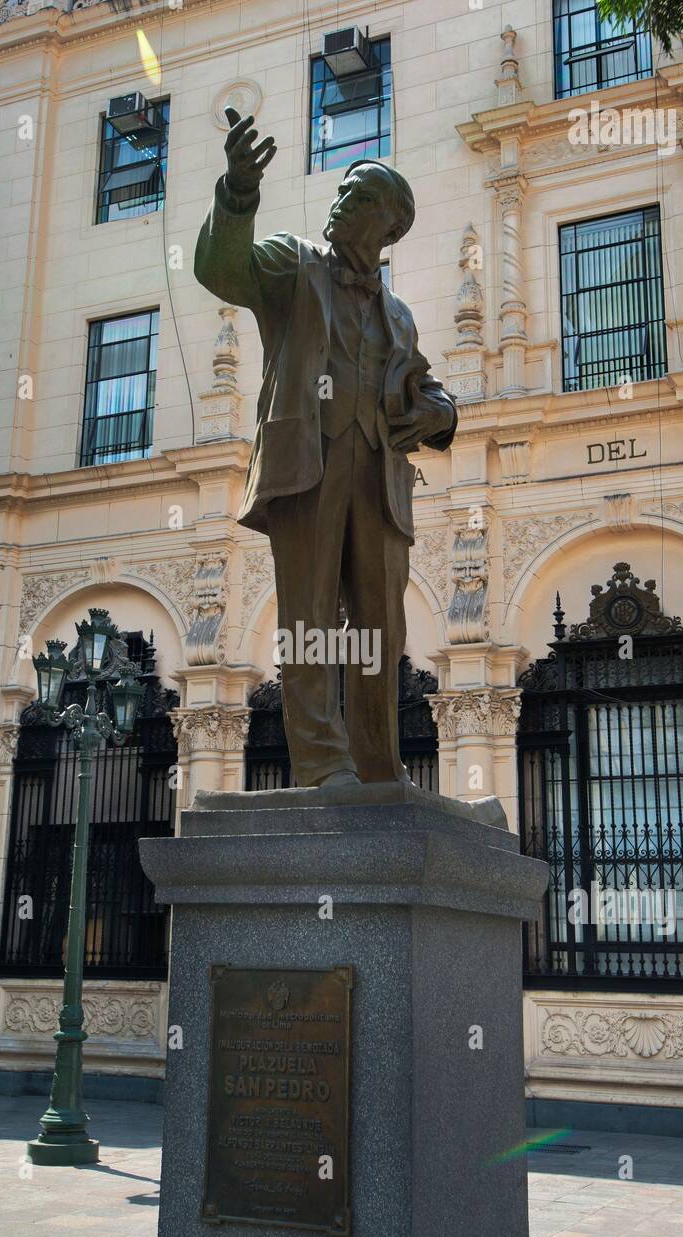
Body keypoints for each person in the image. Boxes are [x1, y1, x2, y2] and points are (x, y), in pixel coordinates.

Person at [194, 108, 457, 787]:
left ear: (390, 223)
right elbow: (225, 270)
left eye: (360, 194)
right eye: (342, 189)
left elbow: (425, 392)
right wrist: (237, 193)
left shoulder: (396, 314)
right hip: (306, 464)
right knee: (308, 617)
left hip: (378, 475)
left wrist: (438, 414)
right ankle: (319, 763)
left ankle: (377, 766)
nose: (342, 200)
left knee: (380, 629)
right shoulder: (293, 264)